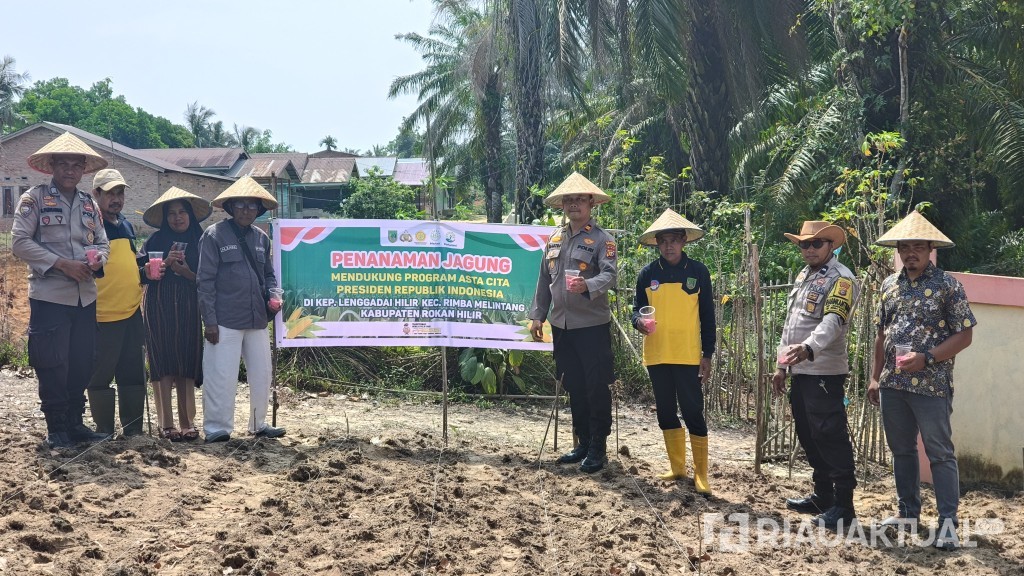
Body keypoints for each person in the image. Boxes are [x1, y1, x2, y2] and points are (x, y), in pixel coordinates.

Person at [868, 211, 976, 551]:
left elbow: (965, 336)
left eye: (917, 246)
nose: (910, 252)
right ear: (898, 251)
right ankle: (907, 514)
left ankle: (948, 524)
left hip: (931, 386)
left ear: (931, 249)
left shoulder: (947, 285)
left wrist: (926, 358)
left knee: (940, 453)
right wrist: (874, 378)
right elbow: (881, 333)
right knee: (901, 450)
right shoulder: (888, 286)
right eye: (904, 247)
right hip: (892, 386)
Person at [11, 132, 110, 448]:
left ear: (83, 169)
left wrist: (98, 260)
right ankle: (56, 428)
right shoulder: (34, 199)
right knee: (52, 362)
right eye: (63, 164)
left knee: (83, 360)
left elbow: (102, 243)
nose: (70, 170)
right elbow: (19, 242)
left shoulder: (89, 204)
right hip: (50, 295)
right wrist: (61, 264)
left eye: (76, 165)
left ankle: (75, 424)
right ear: (52, 166)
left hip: (85, 295)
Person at [771, 220, 859, 531]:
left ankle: (844, 505)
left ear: (831, 246)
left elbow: (834, 321)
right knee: (809, 434)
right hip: (799, 370)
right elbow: (790, 323)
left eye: (816, 244)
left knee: (830, 434)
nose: (809, 249)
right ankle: (823, 496)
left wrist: (809, 348)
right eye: (804, 244)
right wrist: (782, 365)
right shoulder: (804, 276)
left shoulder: (842, 279)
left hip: (823, 369)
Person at [528, 172, 617, 473]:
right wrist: (537, 315)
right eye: (569, 199)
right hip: (562, 327)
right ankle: (582, 443)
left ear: (591, 202)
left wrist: (589, 285)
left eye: (580, 199)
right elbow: (544, 280)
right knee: (574, 386)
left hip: (592, 327)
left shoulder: (603, 240)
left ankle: (598, 448)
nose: (574, 204)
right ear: (562, 205)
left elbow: (610, 275)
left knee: (596, 387)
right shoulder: (554, 239)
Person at [631, 209, 715, 494]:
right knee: (665, 411)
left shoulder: (698, 272)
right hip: (656, 353)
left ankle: (701, 474)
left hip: (688, 353)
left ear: (683, 241)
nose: (669, 246)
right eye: (663, 241)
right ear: (656, 243)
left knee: (693, 411)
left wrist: (708, 354)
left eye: (674, 240)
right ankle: (678, 466)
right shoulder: (648, 274)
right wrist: (639, 322)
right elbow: (635, 312)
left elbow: (708, 316)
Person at [197, 176, 285, 443]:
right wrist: (209, 321)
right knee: (220, 374)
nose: (247, 210)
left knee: (262, 373)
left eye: (252, 206)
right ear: (231, 207)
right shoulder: (213, 235)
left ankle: (258, 424)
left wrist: (272, 293)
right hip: (224, 319)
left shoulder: (261, 238)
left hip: (257, 318)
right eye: (241, 205)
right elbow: (205, 281)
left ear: (259, 210)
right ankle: (216, 427)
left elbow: (268, 274)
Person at [140, 187, 211, 442]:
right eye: (172, 213)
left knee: (186, 360)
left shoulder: (202, 242)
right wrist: (164, 264)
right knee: (162, 359)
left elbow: (209, 278)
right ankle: (166, 423)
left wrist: (185, 272)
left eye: (182, 212)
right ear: (165, 217)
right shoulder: (154, 241)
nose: (177, 218)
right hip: (159, 305)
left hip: (190, 305)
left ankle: (187, 421)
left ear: (191, 215)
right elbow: (140, 271)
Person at [86, 169, 147, 438]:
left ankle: (133, 429)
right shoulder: (89, 226)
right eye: (110, 193)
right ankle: (104, 430)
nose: (117, 199)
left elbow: (129, 264)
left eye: (120, 193)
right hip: (102, 313)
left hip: (132, 311)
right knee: (100, 375)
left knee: (133, 372)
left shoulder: (126, 224)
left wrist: (145, 274)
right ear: (96, 194)